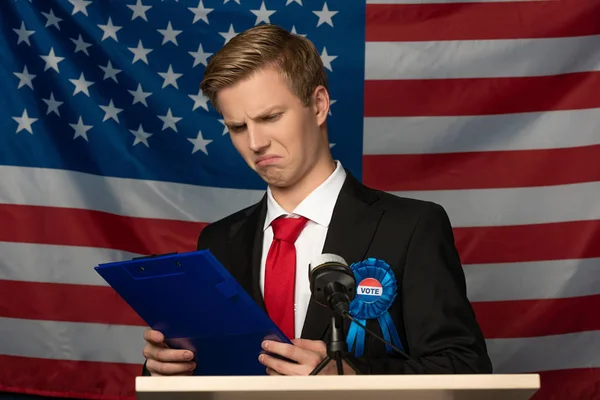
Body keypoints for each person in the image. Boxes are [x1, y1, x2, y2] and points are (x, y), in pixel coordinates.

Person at [141, 23, 493, 376]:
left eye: (270, 117)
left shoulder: (412, 227)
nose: (255, 142)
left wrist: (350, 378)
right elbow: (209, 371)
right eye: (237, 127)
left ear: (319, 105)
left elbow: (465, 367)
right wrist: (165, 370)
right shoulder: (218, 241)